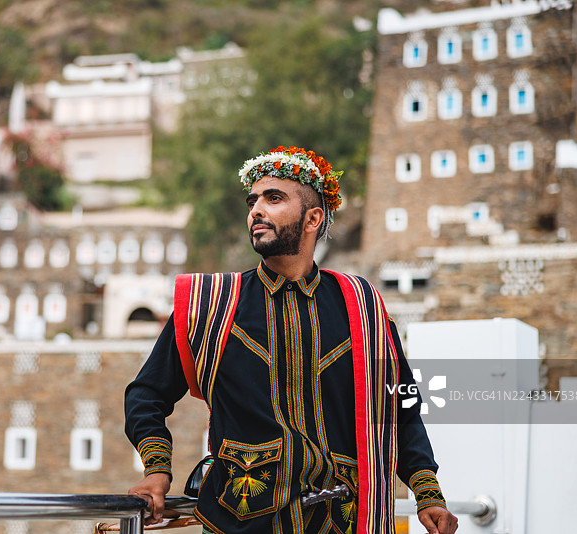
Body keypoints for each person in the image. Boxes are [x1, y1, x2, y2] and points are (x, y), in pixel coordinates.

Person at [125, 146, 458, 534]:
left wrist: (427, 493)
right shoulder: (210, 304)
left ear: (313, 218)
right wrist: (157, 471)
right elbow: (146, 394)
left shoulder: (363, 306)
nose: (256, 210)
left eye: (274, 198)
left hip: (342, 522)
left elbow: (400, 402)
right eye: (253, 201)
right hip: (240, 523)